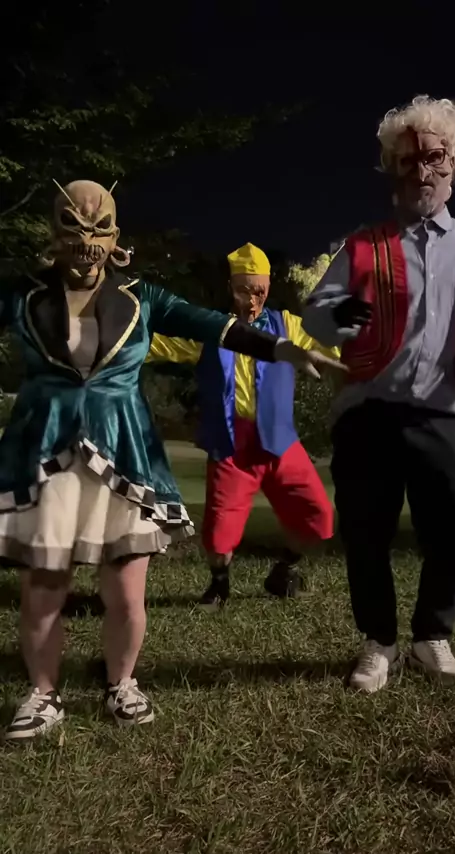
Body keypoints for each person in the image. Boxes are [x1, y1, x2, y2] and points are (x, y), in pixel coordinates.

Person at [1, 182, 332, 740]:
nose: (87, 239)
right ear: (54, 229)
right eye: (74, 224)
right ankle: (42, 693)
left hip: (124, 452)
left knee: (126, 591)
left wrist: (278, 347)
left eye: (99, 226)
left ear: (116, 235)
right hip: (45, 453)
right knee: (44, 588)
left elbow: (210, 324)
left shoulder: (143, 297)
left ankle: (122, 683)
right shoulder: (21, 295)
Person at [302, 95, 455, 693]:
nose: (423, 170)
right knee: (366, 529)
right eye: (409, 160)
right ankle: (379, 642)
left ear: (454, 164)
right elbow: (318, 311)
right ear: (392, 168)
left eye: (435, 157)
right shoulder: (363, 245)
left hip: (450, 410)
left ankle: (432, 637)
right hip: (371, 408)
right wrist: (339, 315)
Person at [148, 242, 343, 606]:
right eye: (243, 290)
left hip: (281, 442)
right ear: (230, 287)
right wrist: (110, 343)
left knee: (318, 516)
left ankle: (284, 571)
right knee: (220, 532)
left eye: (259, 291)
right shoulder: (210, 330)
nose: (252, 300)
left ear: (268, 289)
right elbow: (157, 344)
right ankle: (219, 585)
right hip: (231, 444)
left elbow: (332, 342)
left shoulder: (287, 325)